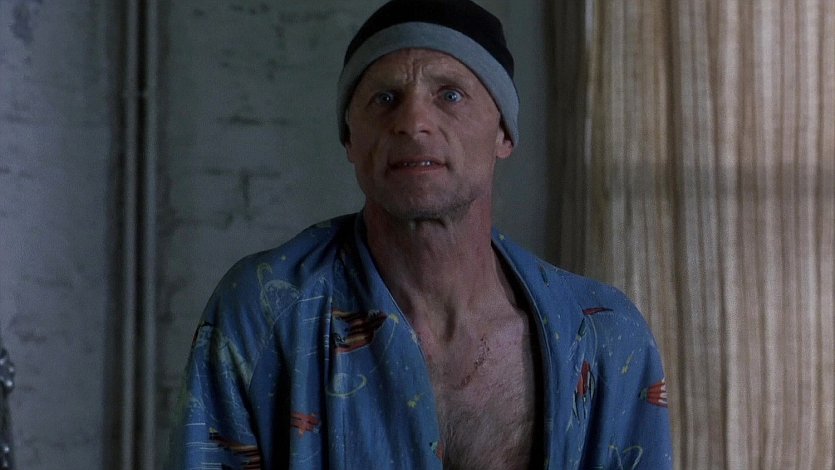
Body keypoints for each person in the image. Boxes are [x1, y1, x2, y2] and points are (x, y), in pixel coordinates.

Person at [168, 0, 673, 468]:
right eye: (385, 98)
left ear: (503, 132)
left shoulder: (607, 339)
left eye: (450, 94)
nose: (412, 122)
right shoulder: (264, 313)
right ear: (350, 138)